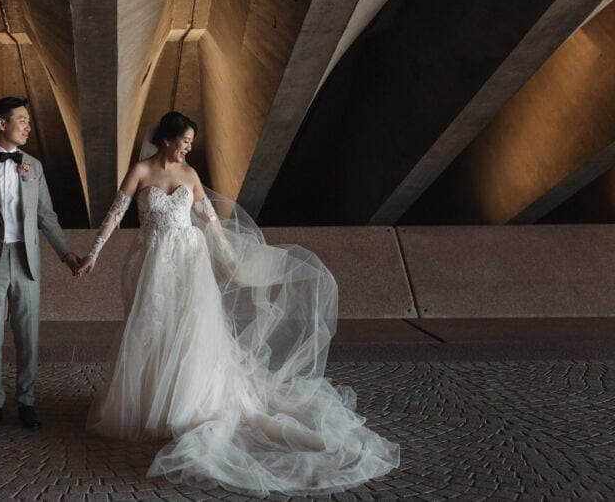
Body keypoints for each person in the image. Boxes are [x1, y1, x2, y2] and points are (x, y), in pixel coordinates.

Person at [75, 111, 399, 496]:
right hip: (152, 263)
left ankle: (189, 404)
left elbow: (211, 223)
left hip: (189, 265)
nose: (188, 148)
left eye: (191, 142)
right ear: (166, 139)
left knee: (191, 331)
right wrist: (94, 252)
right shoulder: (140, 172)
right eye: (185, 141)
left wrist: (231, 261)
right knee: (151, 330)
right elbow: (115, 214)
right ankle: (151, 406)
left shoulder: (191, 177)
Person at [0, 97, 83, 431]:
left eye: (27, 121)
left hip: (27, 261)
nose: (27, 126)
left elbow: (46, 215)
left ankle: (27, 401)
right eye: (21, 120)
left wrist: (65, 254)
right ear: (1, 124)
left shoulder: (33, 166)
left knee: (28, 335)